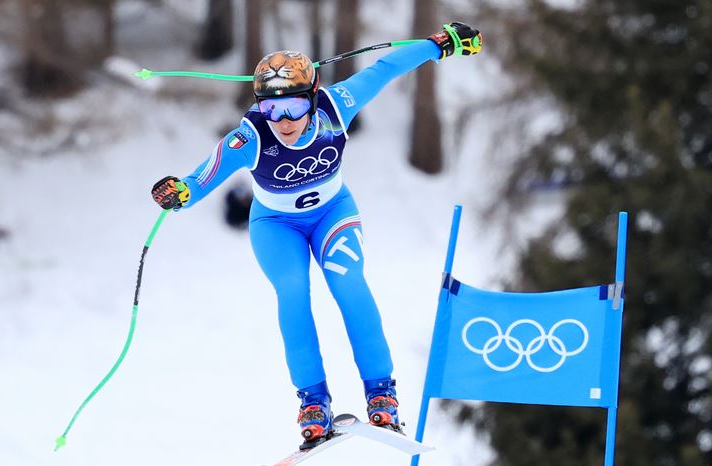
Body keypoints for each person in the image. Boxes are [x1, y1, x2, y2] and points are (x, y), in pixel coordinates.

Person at [150, 22, 482, 448]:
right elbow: (204, 175)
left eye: (291, 109)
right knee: (292, 291)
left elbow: (385, 68)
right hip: (275, 226)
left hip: (332, 214)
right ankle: (312, 401)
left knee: (349, 284)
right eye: (271, 110)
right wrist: (180, 192)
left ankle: (381, 393)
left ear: (310, 98)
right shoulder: (250, 136)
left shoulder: (335, 106)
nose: (282, 122)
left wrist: (440, 45)